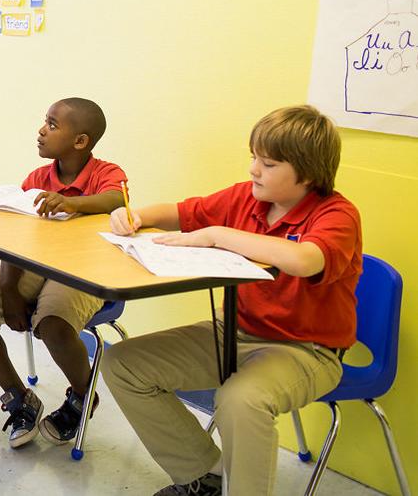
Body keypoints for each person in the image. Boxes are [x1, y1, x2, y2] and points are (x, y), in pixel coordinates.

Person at [101, 105, 362, 496]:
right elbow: (179, 212)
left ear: (308, 173)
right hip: (232, 333)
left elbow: (305, 260)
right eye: (253, 157)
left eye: (269, 163)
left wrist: (217, 235)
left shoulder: (337, 215)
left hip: (307, 352)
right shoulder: (245, 198)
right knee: (123, 364)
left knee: (240, 400)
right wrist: (131, 214)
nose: (254, 170)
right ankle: (204, 476)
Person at [0, 98, 126, 448]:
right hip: (33, 265)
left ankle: (82, 395)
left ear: (80, 141)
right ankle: (19, 397)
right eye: (44, 122)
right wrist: (8, 288)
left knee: (53, 322)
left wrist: (71, 202)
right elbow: (15, 239)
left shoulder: (106, 173)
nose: (41, 130)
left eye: (51, 124)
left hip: (85, 269)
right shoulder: (35, 179)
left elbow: (116, 200)